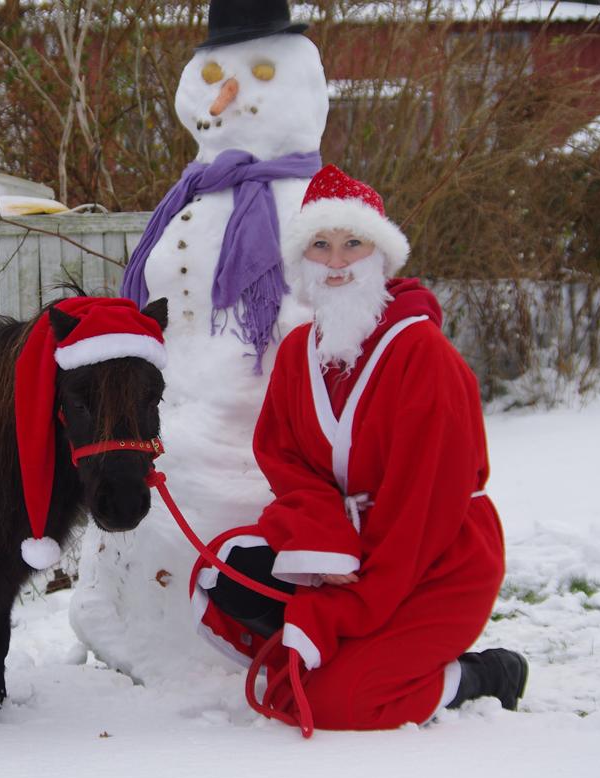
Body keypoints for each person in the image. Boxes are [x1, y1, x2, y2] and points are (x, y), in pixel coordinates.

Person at [191, 164, 528, 731]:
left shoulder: (425, 356)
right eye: (320, 245)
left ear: (381, 253)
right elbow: (286, 458)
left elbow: (426, 504)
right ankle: (344, 645)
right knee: (230, 577)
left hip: (433, 556)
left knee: (331, 702)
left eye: (353, 243)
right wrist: (326, 545)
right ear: (302, 262)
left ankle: (479, 677)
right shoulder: (300, 352)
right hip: (356, 558)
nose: (338, 261)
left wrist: (348, 601)